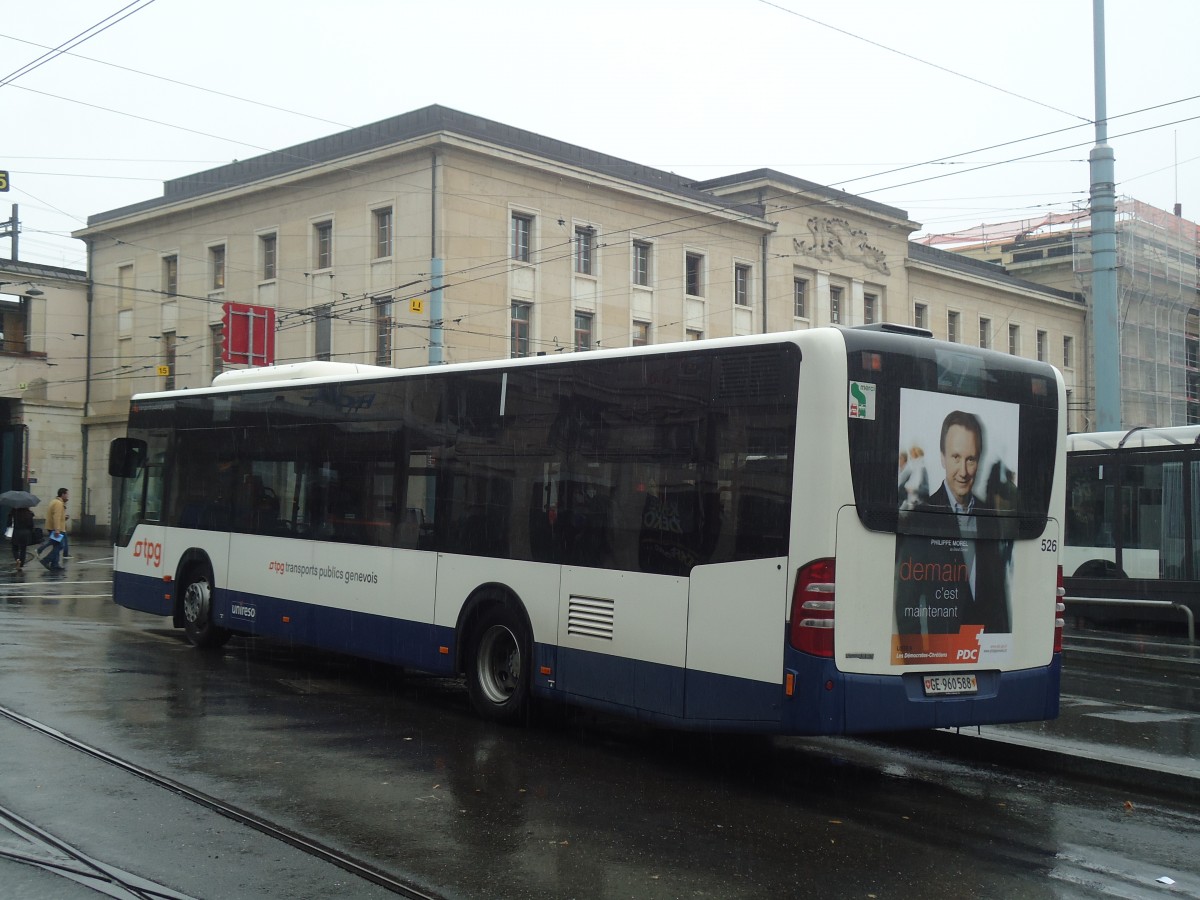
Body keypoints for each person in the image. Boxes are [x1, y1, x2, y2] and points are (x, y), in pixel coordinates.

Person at [895, 410, 1011, 635]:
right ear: (942, 457)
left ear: (979, 460)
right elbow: (905, 603)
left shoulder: (990, 516)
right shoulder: (921, 515)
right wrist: (919, 661)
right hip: (940, 655)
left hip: (986, 653)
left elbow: (999, 600)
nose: (964, 472)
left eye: (971, 459)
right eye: (956, 457)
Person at [38, 487, 69, 571]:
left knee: (56, 545)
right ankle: (46, 560)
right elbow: (56, 517)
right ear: (62, 494)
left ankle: (55, 564)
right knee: (60, 546)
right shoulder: (59, 503)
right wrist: (57, 529)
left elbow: (56, 516)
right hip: (57, 529)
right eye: (67, 494)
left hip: (52, 527)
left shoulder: (54, 501)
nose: (67, 496)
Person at [9, 505, 36, 570]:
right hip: (26, 533)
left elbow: (9, 523)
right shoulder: (29, 513)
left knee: (15, 548)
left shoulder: (14, 513)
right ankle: (21, 565)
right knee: (23, 549)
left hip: (16, 532)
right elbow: (31, 525)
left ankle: (17, 559)